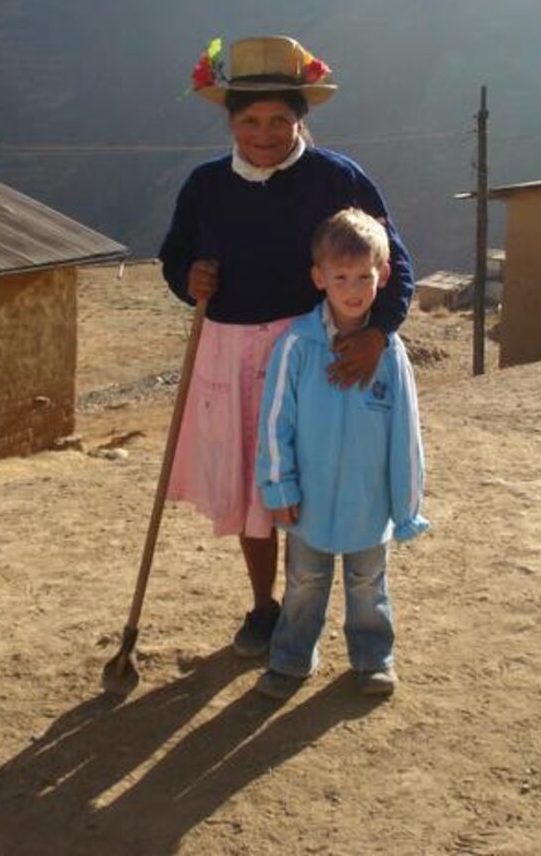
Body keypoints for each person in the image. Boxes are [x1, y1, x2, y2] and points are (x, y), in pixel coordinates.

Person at [158, 35, 414, 657]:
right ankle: (265, 608)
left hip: (316, 356)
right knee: (254, 485)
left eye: (280, 119)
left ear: (301, 119)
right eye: (251, 120)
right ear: (231, 121)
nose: (265, 133)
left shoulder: (337, 179)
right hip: (231, 354)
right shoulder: (206, 186)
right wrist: (188, 280)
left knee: (315, 480)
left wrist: (378, 332)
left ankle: (312, 611)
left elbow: (394, 263)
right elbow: (174, 258)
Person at [254, 208, 429, 700]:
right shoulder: (298, 346)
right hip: (308, 501)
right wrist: (278, 487)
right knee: (305, 582)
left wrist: (407, 506)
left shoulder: (390, 354)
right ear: (319, 278)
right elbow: (275, 424)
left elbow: (405, 433)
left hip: (368, 503)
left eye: (364, 277)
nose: (353, 289)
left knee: (368, 583)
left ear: (384, 275)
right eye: (340, 277)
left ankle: (373, 658)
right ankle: (290, 660)